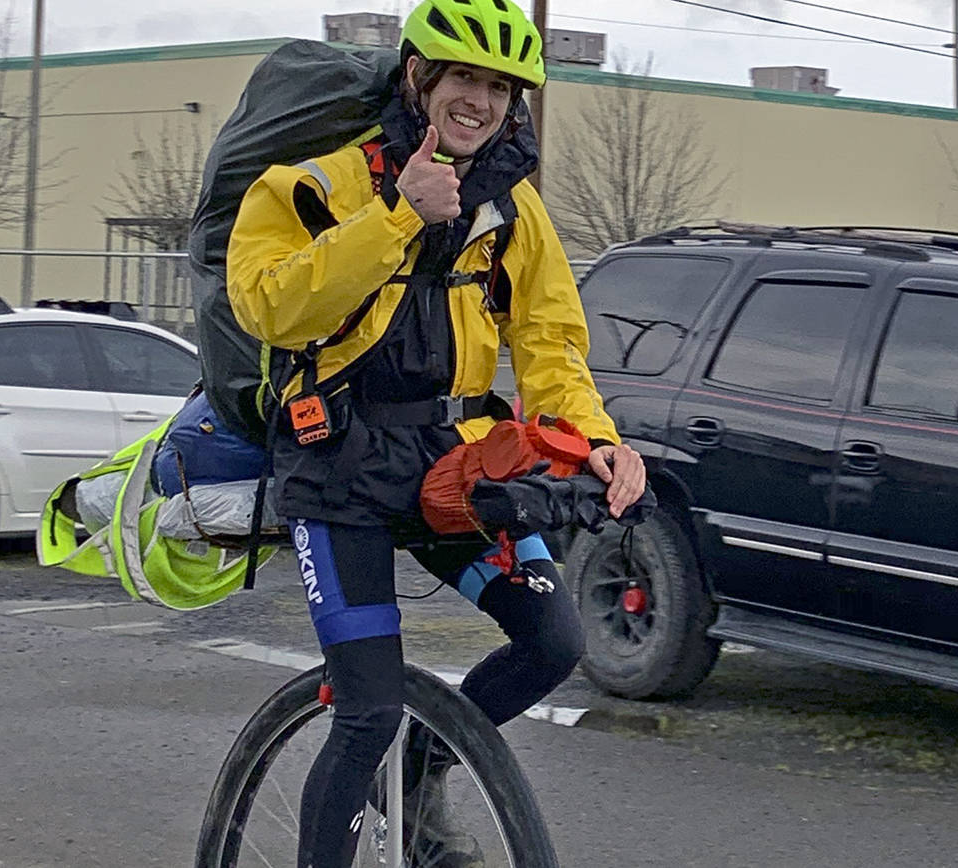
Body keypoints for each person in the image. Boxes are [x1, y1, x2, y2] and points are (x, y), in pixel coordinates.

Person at [225, 0, 646, 864]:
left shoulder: (513, 208)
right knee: (366, 710)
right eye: (464, 77)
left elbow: (550, 343)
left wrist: (591, 437)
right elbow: (269, 305)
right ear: (419, 78)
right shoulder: (314, 186)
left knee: (553, 639)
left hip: (446, 464)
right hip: (334, 464)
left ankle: (419, 781)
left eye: (499, 87)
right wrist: (401, 215)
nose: (479, 101)